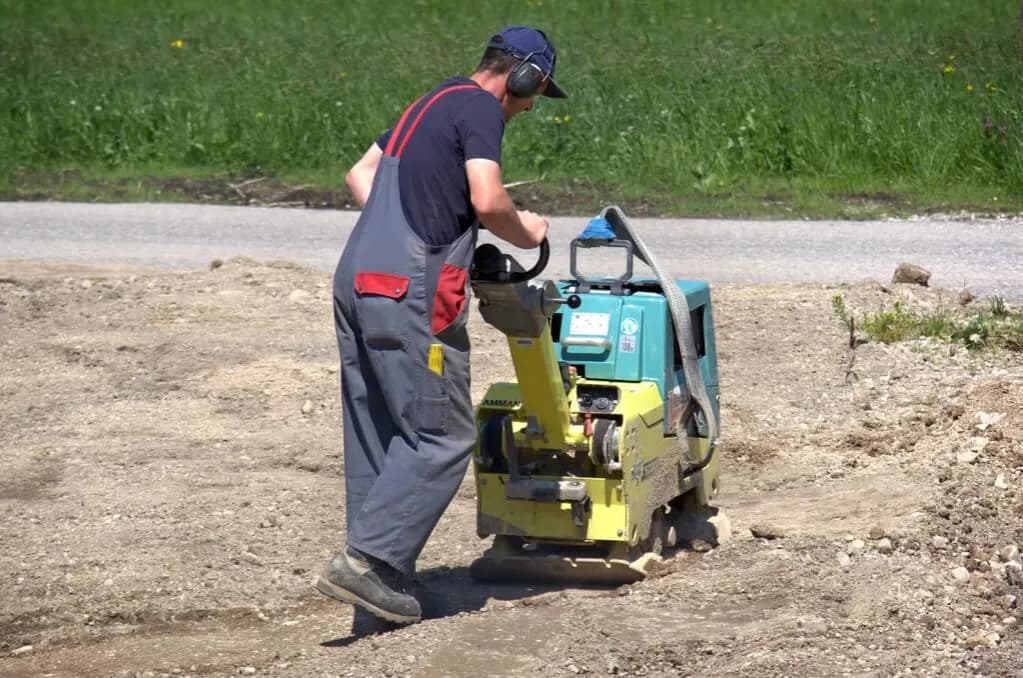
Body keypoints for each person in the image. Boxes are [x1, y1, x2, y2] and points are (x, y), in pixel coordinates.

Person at [316, 25, 568, 624]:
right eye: (536, 93)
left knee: (381, 431)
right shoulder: (480, 108)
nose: (531, 107)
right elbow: (488, 200)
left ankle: (378, 583)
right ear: (524, 76)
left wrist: (409, 228)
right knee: (442, 433)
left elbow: (360, 175)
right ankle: (368, 563)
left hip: (357, 279)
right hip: (411, 290)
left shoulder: (428, 102)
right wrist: (527, 231)